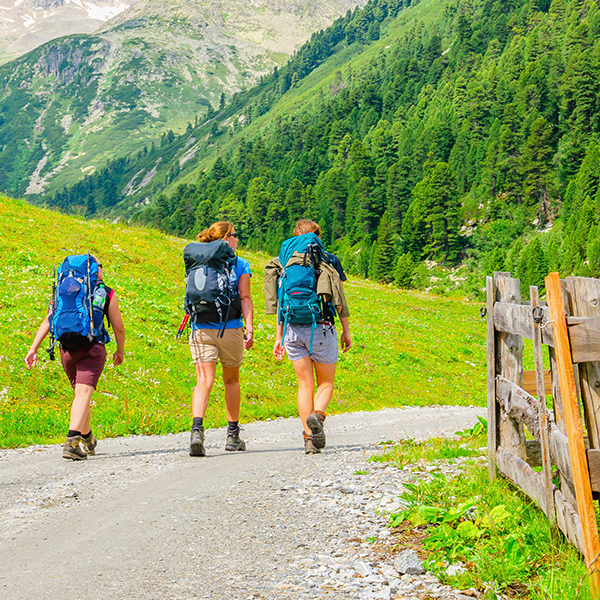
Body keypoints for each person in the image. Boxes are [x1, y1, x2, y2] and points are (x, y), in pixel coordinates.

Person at [25, 258, 126, 460]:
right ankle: (71, 443)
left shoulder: (65, 290)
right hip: (92, 348)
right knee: (83, 395)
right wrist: (120, 351)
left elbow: (49, 319)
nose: (103, 270)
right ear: (96, 270)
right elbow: (119, 328)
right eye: (101, 266)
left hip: (66, 350)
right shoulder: (105, 292)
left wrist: (33, 348)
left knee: (81, 396)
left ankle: (88, 438)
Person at [270, 220, 351, 454]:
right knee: (325, 382)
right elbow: (339, 300)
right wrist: (346, 331)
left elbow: (281, 302)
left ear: (295, 235)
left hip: (293, 329)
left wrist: (279, 337)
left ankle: (308, 439)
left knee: (304, 384)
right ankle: (318, 416)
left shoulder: (285, 263)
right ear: (317, 235)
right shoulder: (328, 259)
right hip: (322, 326)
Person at [187, 221, 254, 457]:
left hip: (200, 328)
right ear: (227, 239)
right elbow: (244, 296)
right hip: (231, 328)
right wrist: (251, 328)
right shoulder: (240, 263)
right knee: (231, 381)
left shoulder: (197, 260)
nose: (237, 239)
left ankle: (197, 432)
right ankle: (232, 436)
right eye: (235, 235)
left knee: (204, 380)